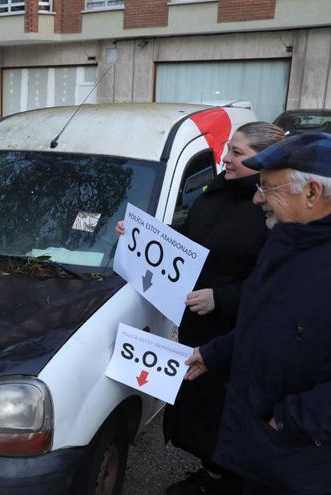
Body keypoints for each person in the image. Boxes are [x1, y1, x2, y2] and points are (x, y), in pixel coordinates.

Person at [185, 133, 331, 494]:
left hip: (301, 467)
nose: (256, 198)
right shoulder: (284, 239)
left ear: (312, 192)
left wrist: (291, 420)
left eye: (268, 188)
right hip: (253, 450)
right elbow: (265, 323)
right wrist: (213, 354)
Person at [116, 122, 284, 494]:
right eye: (229, 149)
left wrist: (221, 298)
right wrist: (139, 235)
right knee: (202, 414)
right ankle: (213, 473)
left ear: (267, 160)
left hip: (240, 339)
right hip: (198, 331)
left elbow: (278, 287)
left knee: (234, 419)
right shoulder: (213, 195)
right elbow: (188, 245)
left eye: (237, 153)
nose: (225, 158)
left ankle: (234, 481)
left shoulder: (276, 210)